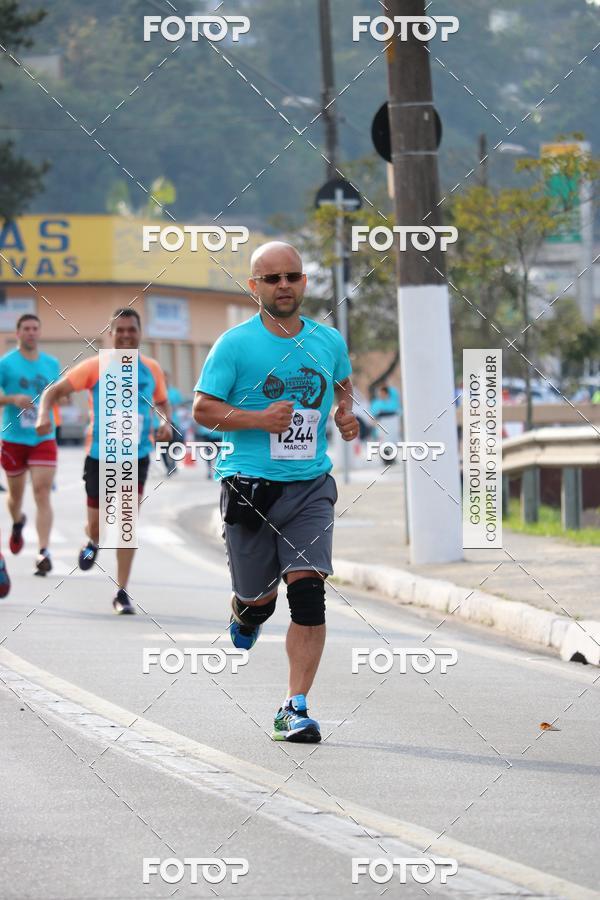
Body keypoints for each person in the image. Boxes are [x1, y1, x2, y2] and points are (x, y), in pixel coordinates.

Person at [193, 241, 359, 743]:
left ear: (305, 282)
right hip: (249, 487)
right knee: (258, 597)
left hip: (310, 486)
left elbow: (344, 383)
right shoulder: (234, 345)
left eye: (292, 276)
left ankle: (295, 707)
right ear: (255, 287)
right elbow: (203, 410)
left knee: (308, 593)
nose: (284, 286)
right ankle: (247, 611)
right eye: (272, 279)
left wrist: (344, 414)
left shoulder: (328, 340)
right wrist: (258, 419)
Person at [36, 309, 172, 614]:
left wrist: (165, 421)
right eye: (120, 330)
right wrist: (45, 414)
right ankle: (93, 541)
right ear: (111, 334)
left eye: (131, 330)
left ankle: (121, 592)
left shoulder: (151, 369)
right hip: (99, 458)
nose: (126, 335)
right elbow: (54, 391)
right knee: (97, 527)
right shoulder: (95, 366)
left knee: (127, 523)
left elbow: (162, 401)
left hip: (136, 457)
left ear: (140, 332)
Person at [0, 314, 60, 575]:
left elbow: (59, 393)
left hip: (43, 436)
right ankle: (17, 521)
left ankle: (43, 551)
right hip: (13, 438)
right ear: (18, 333)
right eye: (26, 328)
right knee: (16, 496)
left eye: (35, 328)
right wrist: (12, 398)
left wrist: (58, 402)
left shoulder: (51, 363)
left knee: (41, 491)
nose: (31, 332)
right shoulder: (6, 363)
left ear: (39, 332)